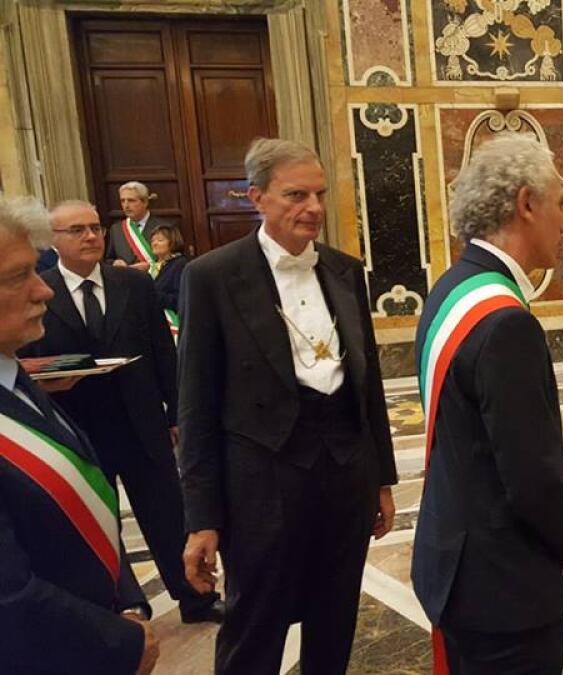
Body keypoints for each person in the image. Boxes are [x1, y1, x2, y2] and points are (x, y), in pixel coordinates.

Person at [177, 138, 398, 674]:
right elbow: (196, 406)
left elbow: (367, 384)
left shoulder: (345, 271)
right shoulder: (211, 277)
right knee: (256, 624)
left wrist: (382, 479)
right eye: (296, 195)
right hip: (263, 484)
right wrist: (203, 518)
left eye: (319, 194)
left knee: (336, 616)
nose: (314, 208)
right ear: (257, 198)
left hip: (345, 472)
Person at [413, 134, 563, 675]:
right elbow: (529, 470)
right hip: (502, 589)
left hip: (454, 560)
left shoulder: (450, 287)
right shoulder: (505, 321)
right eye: (559, 203)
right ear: (526, 204)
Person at [20, 200, 223, 626]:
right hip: (78, 427)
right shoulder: (40, 289)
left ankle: (196, 598)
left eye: (95, 227)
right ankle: (126, 606)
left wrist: (176, 414)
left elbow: (163, 353)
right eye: (76, 230)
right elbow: (28, 360)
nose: (90, 236)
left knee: (169, 513)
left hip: (141, 423)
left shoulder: (133, 285)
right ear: (52, 241)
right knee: (100, 520)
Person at [0, 195, 158, 674]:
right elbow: (10, 597)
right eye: (15, 277)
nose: (42, 290)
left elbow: (89, 502)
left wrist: (129, 603)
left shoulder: (16, 376)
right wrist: (120, 641)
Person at [106, 181, 173, 272]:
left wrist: (151, 267)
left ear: (145, 202)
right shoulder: (116, 229)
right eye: (122, 201)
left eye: (131, 200)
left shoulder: (165, 227)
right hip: (127, 282)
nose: (126, 205)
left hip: (156, 283)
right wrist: (115, 262)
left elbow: (175, 261)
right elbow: (108, 259)